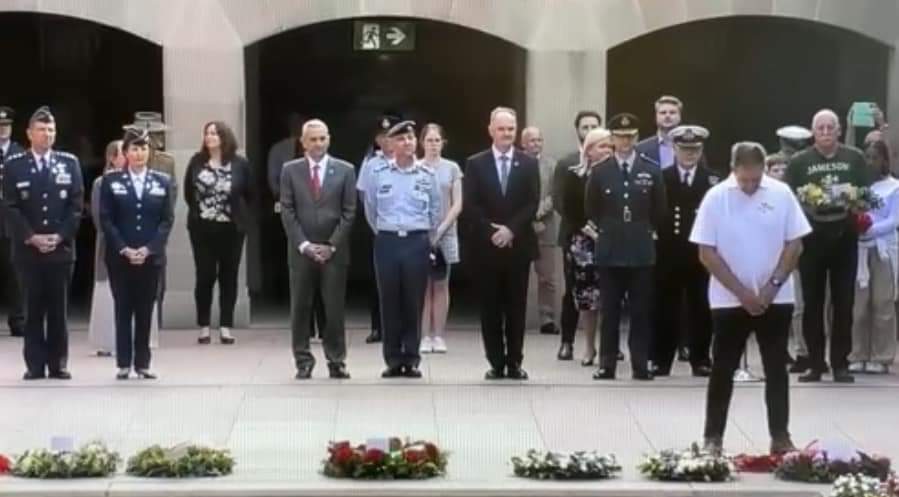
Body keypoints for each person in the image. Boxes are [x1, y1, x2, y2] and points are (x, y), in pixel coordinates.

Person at [692, 141, 809, 456]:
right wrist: (742, 292)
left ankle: (780, 436)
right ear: (733, 170)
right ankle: (713, 437)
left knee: (775, 367)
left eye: (756, 180)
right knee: (723, 368)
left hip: (776, 297)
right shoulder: (716, 197)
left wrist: (772, 286)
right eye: (744, 180)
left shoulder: (781, 193)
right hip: (729, 300)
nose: (750, 185)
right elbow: (706, 252)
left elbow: (794, 244)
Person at [786, 109, 872, 383]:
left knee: (843, 302)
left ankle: (841, 363)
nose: (825, 133)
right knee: (812, 303)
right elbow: (788, 200)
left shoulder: (854, 157)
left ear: (838, 130)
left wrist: (854, 200)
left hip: (844, 237)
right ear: (813, 132)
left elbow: (867, 195)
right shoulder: (800, 161)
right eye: (820, 128)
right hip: (811, 239)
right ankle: (814, 362)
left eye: (830, 128)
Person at [2, 106, 83, 380]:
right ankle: (35, 365)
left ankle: (58, 363)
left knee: (58, 311)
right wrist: (30, 236)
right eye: (41, 129)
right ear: (29, 133)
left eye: (51, 129)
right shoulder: (14, 165)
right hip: (28, 250)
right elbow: (10, 207)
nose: (47, 134)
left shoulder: (68, 163)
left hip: (60, 250)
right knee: (33, 309)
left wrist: (59, 236)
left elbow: (75, 206)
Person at [585, 113, 666, 381]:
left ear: (636, 137)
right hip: (610, 250)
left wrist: (644, 231)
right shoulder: (600, 171)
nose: (625, 141)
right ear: (612, 139)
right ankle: (607, 363)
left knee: (641, 311)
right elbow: (592, 208)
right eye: (620, 137)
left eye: (630, 136)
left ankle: (640, 364)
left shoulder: (651, 169)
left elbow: (659, 210)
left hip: (641, 249)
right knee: (610, 311)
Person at [464, 107, 541, 380]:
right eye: (501, 128)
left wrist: (511, 230)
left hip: (518, 247)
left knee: (516, 308)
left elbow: (532, 202)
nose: (507, 133)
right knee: (490, 308)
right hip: (486, 248)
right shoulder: (476, 163)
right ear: (491, 130)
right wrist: (492, 232)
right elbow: (471, 205)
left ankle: (514, 362)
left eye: (511, 129)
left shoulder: (529, 163)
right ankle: (496, 362)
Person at [360, 120, 440, 378]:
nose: (407, 143)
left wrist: (425, 238)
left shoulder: (427, 175)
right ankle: (393, 359)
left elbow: (435, 211)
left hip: (417, 240)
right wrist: (386, 231)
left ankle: (412, 357)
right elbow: (371, 209)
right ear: (390, 145)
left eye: (411, 138)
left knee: (413, 300)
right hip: (388, 240)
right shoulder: (379, 173)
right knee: (389, 300)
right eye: (401, 139)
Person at [280, 119, 355, 380]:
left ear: (329, 139)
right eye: (312, 139)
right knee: (301, 307)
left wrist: (331, 245)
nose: (318, 144)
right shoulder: (290, 170)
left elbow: (349, 212)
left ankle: (336, 360)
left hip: (333, 253)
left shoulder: (345, 170)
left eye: (322, 138)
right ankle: (303, 360)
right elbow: (287, 210)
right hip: (302, 252)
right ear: (303, 142)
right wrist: (304, 244)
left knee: (333, 309)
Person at [100, 128, 174, 380]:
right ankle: (123, 362)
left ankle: (143, 363)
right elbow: (107, 220)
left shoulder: (162, 181)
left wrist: (149, 248)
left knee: (145, 310)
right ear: (125, 153)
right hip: (120, 257)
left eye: (143, 148)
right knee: (123, 308)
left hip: (150, 257)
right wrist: (124, 248)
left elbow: (166, 220)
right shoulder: (111, 181)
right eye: (134, 148)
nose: (139, 153)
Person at [652, 125, 719, 377]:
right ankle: (660, 359)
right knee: (664, 306)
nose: (690, 155)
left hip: (700, 253)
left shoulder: (712, 180)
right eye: (684, 149)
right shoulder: (662, 177)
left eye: (694, 150)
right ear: (674, 149)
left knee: (700, 306)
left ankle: (700, 358)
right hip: (668, 251)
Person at [184, 121, 253, 346]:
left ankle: (225, 326)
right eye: (207, 133)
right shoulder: (197, 162)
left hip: (231, 228)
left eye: (214, 133)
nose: (210, 137)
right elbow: (188, 192)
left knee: (229, 276)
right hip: (202, 227)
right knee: (204, 275)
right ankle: (204, 325)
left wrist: (241, 217)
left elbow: (250, 193)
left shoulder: (240, 164)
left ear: (224, 137)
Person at [552, 110, 602, 360]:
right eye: (585, 126)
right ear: (578, 130)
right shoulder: (567, 164)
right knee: (573, 290)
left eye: (594, 125)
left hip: (604, 239)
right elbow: (561, 202)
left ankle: (601, 343)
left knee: (603, 293)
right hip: (575, 236)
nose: (589, 129)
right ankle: (567, 341)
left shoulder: (608, 165)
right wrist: (586, 227)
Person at [561, 128, 613, 366]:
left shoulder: (619, 174)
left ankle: (609, 347)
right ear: (589, 150)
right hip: (584, 244)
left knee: (610, 298)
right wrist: (594, 233)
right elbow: (571, 211)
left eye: (610, 147)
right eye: (602, 146)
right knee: (588, 300)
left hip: (613, 242)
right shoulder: (575, 176)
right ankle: (589, 346)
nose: (608, 151)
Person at [850, 140, 899, 374]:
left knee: (882, 303)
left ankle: (882, 355)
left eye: (875, 157)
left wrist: (870, 229)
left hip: (882, 250)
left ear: (884, 160)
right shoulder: (858, 187)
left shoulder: (894, 187)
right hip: (858, 250)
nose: (871, 162)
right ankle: (857, 353)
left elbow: (893, 220)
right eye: (867, 157)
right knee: (859, 306)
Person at [123, 112, 176, 330]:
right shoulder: (125, 154)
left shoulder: (166, 162)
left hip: (155, 225)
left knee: (157, 275)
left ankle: (154, 322)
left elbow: (172, 194)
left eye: (156, 135)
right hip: (129, 225)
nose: (155, 140)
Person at [358, 114, 402, 344]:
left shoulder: (408, 161)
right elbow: (365, 197)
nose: (386, 140)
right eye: (382, 136)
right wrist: (376, 228)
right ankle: (378, 327)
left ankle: (402, 328)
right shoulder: (370, 164)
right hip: (378, 230)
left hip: (404, 230)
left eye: (391, 135)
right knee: (377, 280)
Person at [419, 123, 463, 354]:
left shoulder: (452, 168)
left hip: (446, 233)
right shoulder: (416, 168)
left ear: (443, 143)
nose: (433, 145)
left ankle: (439, 335)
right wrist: (426, 230)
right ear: (422, 142)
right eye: (429, 140)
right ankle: (424, 335)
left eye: (437, 140)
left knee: (442, 284)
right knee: (424, 286)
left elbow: (457, 203)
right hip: (421, 233)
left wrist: (441, 228)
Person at [774, 126, 814, 372]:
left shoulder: (811, 169)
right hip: (781, 248)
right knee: (792, 305)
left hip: (811, 243)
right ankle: (799, 352)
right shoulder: (772, 174)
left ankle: (810, 351)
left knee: (808, 304)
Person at [521, 126, 560, 336]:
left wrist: (538, 211)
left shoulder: (552, 165)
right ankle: (515, 315)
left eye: (539, 140)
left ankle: (547, 318)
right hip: (520, 227)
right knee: (516, 275)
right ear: (523, 143)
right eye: (532, 140)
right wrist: (527, 215)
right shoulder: (516, 163)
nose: (536, 144)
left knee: (547, 277)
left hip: (545, 226)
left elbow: (555, 193)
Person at [88, 140, 125, 356]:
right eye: (122, 153)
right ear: (112, 157)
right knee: (106, 293)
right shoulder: (101, 183)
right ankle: (105, 341)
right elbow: (99, 219)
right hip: (108, 246)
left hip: (133, 246)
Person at [0, 106, 26, 337]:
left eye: (6, 126)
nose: (3, 130)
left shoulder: (20, 153)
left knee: (15, 272)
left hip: (10, 221)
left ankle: (18, 320)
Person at [636, 95, 683, 169]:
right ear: (656, 117)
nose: (667, 116)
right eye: (663, 113)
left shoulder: (690, 147)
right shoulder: (640, 149)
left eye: (672, 112)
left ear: (680, 117)